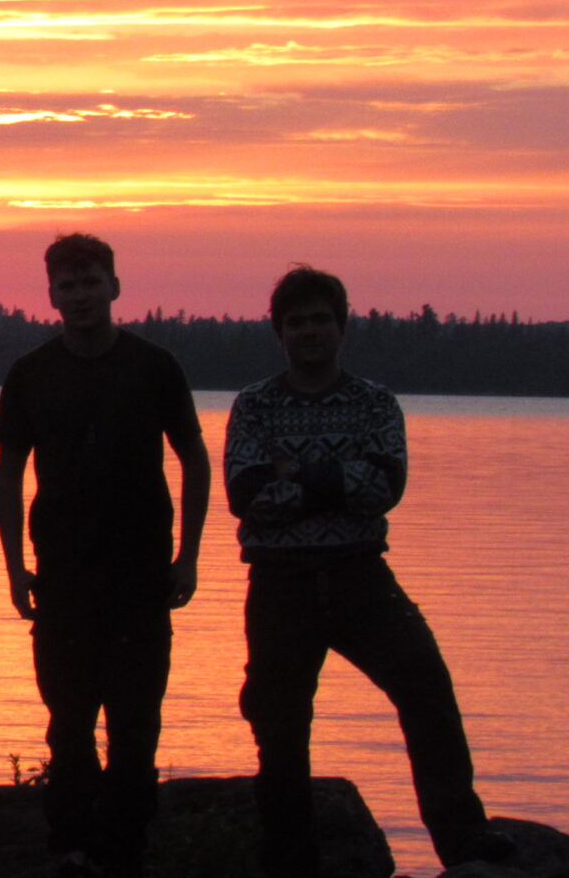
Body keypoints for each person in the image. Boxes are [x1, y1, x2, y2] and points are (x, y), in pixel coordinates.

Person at [225, 266, 514, 876]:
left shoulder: (374, 402)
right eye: (296, 322)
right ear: (280, 333)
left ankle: (463, 840)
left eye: (320, 320)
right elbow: (247, 495)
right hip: (281, 584)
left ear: (342, 327)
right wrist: (338, 475)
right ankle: (288, 858)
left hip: (361, 577)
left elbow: (384, 486)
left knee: (428, 692)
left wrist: (295, 475)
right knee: (279, 727)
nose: (309, 332)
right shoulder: (254, 405)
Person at [0, 234, 209, 878]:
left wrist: (189, 555)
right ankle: (72, 848)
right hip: (61, 574)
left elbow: (194, 458)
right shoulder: (32, 373)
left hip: (142, 574)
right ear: (51, 295)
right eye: (67, 285)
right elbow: (6, 477)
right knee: (69, 723)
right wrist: (12, 568)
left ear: (114, 286)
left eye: (91, 282)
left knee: (137, 724)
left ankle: (125, 853)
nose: (80, 295)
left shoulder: (154, 366)